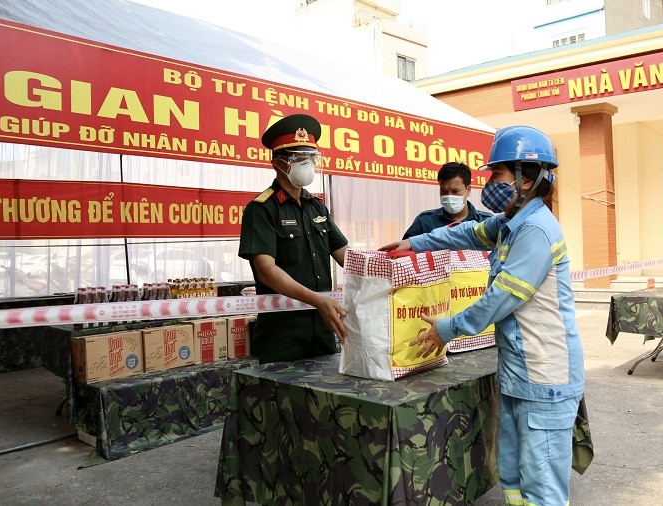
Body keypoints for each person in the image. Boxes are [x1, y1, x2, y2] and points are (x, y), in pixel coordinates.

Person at [381, 126, 585, 506]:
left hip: (545, 374)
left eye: (498, 174)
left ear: (528, 177)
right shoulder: (510, 223)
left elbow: (501, 298)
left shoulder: (535, 230)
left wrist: (448, 329)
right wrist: (413, 242)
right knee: (513, 474)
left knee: (541, 485)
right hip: (519, 372)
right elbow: (467, 234)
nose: (491, 183)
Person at [238, 113, 349, 364]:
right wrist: (316, 299)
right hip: (283, 334)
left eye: (311, 158)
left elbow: (346, 256)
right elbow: (266, 271)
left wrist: (384, 266)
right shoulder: (262, 209)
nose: (307, 164)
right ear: (278, 163)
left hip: (322, 329)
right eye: (299, 159)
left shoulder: (317, 207)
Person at [401, 162, 492, 239]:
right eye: (443, 191)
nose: (449, 196)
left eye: (455, 191)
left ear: (468, 190)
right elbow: (405, 254)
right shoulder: (425, 222)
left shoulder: (486, 222)